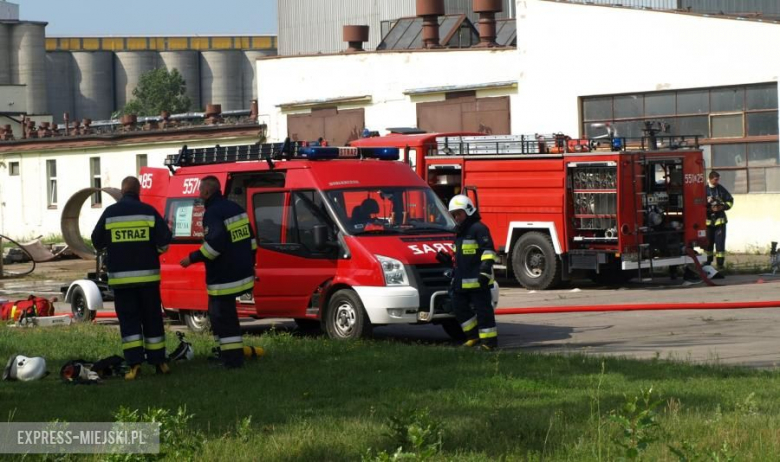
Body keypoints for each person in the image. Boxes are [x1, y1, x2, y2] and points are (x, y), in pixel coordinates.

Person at [91, 176, 172, 380]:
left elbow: (96, 241)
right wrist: (151, 253)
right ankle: (159, 361)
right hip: (148, 280)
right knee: (152, 319)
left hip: (122, 282)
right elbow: (165, 241)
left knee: (129, 321)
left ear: (122, 190)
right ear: (139, 191)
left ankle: (134, 365)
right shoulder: (149, 211)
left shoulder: (110, 213)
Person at [179, 176, 257, 369]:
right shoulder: (236, 208)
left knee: (222, 318)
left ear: (207, 192)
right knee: (225, 317)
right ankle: (229, 354)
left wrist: (192, 258)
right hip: (241, 273)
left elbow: (214, 247)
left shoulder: (212, 213)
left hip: (224, 278)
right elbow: (252, 242)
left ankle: (232, 360)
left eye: (200, 191)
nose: (198, 195)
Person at [447, 194, 499, 350]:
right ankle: (473, 337)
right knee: (458, 308)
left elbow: (488, 251)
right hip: (461, 281)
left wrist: (484, 271)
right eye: (454, 214)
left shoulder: (479, 228)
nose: (457, 217)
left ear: (468, 211)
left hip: (478, 280)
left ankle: (489, 344)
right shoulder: (459, 231)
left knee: (484, 313)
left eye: (459, 213)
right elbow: (460, 254)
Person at [705, 171, 733, 271]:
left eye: (718, 179)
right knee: (708, 244)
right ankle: (708, 263)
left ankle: (720, 265)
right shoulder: (704, 190)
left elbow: (730, 201)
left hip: (720, 222)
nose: (717, 181)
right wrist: (709, 208)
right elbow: (698, 205)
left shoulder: (721, 189)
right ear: (710, 179)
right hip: (708, 222)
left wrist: (722, 207)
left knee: (720, 244)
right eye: (716, 179)